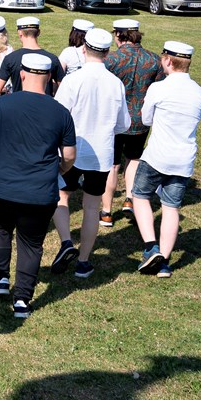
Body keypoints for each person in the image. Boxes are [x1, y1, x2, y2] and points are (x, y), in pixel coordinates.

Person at [0, 54, 77, 318]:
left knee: (0, 228)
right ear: (49, 79)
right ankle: (22, 299)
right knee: (31, 243)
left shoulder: (1, 105)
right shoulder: (61, 113)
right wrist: (59, 170)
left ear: (21, 75)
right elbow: (69, 156)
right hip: (40, 191)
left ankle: (0, 279)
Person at [50, 29, 130, 278]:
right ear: (107, 53)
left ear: (83, 49)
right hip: (101, 154)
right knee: (92, 207)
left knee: (61, 196)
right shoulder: (115, 83)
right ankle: (83, 261)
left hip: (71, 151)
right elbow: (123, 124)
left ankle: (66, 242)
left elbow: (58, 115)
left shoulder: (73, 80)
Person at [131, 42, 201, 278]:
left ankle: (151, 247)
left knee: (140, 196)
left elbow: (146, 119)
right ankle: (163, 262)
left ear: (168, 62)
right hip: (183, 159)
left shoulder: (158, 88)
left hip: (157, 155)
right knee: (171, 207)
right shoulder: (199, 92)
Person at [101, 19, 163, 227]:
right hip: (140, 120)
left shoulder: (110, 59)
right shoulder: (154, 60)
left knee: (112, 164)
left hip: (115, 119)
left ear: (118, 35)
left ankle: (107, 212)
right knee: (134, 159)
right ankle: (129, 199)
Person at [0, 17, 64, 97]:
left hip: (19, 106)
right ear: (38, 32)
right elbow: (64, 89)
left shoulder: (10, 59)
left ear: (20, 33)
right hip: (45, 107)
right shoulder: (52, 59)